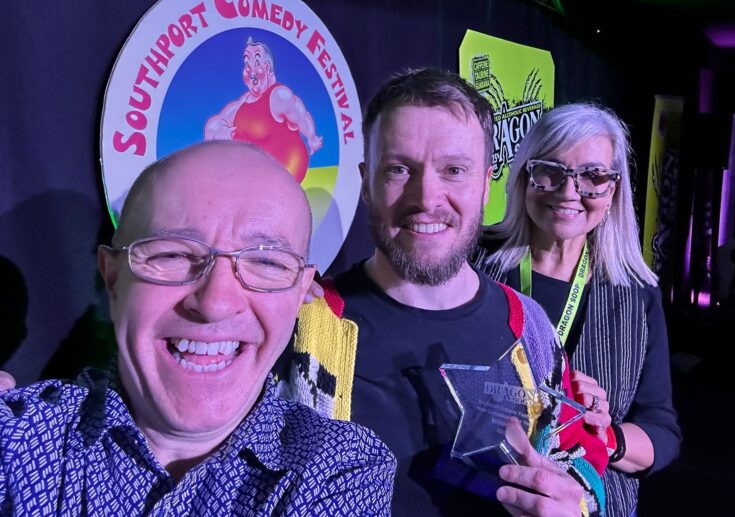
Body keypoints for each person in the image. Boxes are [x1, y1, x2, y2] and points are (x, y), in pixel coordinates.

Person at [0, 142, 395, 515]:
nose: (214, 303)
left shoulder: (340, 468)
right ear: (113, 279)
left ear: (299, 294)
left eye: (267, 263)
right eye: (172, 254)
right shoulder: (18, 440)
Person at [280, 69, 607, 517]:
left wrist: (578, 503)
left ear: (486, 183)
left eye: (454, 170)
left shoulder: (529, 328)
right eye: (399, 169)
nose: (427, 196)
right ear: (365, 181)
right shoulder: (301, 327)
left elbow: (580, 457)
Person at [474, 103, 681, 517]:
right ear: (524, 176)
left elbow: (662, 431)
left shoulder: (636, 296)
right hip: (480, 492)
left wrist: (605, 437)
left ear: (613, 190)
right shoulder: (473, 263)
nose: (569, 192)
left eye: (592, 176)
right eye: (550, 170)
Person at [205, 37, 323, 182]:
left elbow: (301, 116)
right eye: (247, 63)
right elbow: (217, 122)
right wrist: (221, 132)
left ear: (267, 67)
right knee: (214, 127)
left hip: (284, 172)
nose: (250, 69)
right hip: (253, 174)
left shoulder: (279, 96)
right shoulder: (244, 101)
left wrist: (311, 138)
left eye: (256, 62)